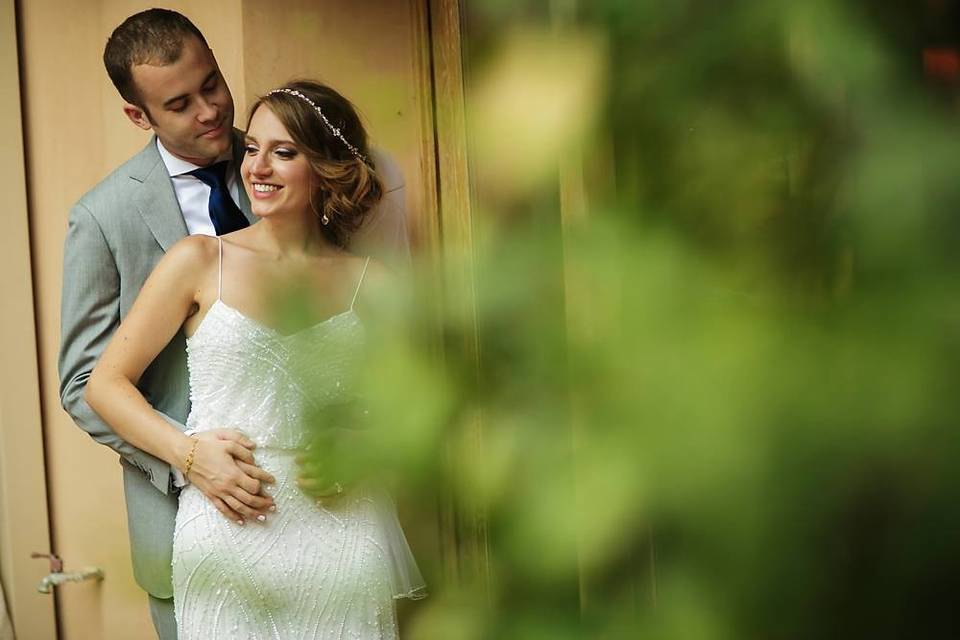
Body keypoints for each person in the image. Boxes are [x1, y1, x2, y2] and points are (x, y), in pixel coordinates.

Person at [58, 9, 410, 639]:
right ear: (140, 116)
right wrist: (189, 458)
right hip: (204, 509)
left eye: (213, 85)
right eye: (181, 103)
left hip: (337, 519)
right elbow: (89, 380)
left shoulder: (300, 164)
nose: (211, 112)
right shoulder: (106, 217)